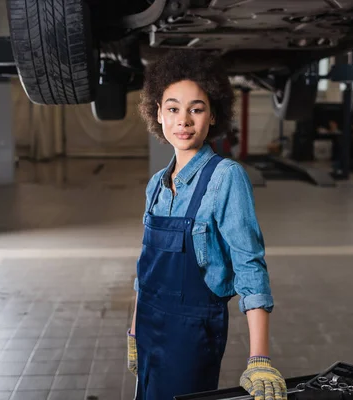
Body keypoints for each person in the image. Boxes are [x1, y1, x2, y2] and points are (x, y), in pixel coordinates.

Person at [127, 50, 286, 400]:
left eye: (196, 109)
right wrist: (134, 332)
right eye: (172, 108)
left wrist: (259, 357)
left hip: (192, 334)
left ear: (213, 116)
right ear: (157, 114)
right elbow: (146, 268)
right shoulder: (156, 184)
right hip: (148, 329)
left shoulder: (226, 177)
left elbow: (249, 264)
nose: (183, 120)